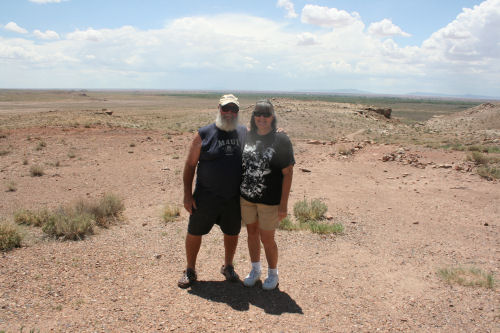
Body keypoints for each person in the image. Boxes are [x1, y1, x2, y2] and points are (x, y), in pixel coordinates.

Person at [178, 94, 247, 289]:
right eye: (226, 108)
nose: (230, 113)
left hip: (233, 198)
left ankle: (228, 266)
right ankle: (190, 270)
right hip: (205, 197)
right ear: (219, 109)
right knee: (194, 232)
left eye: (234, 110)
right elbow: (190, 165)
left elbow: (260, 145)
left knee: (232, 233)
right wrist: (187, 195)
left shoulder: (243, 132)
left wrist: (276, 134)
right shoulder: (204, 134)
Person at [240, 99, 295, 290]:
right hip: (247, 198)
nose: (261, 118)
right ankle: (255, 270)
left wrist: (283, 204)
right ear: (253, 116)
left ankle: (273, 273)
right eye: (258, 114)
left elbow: (287, 173)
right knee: (251, 234)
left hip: (269, 201)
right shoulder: (247, 136)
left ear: (272, 117)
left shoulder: (281, 140)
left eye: (266, 114)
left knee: (267, 238)